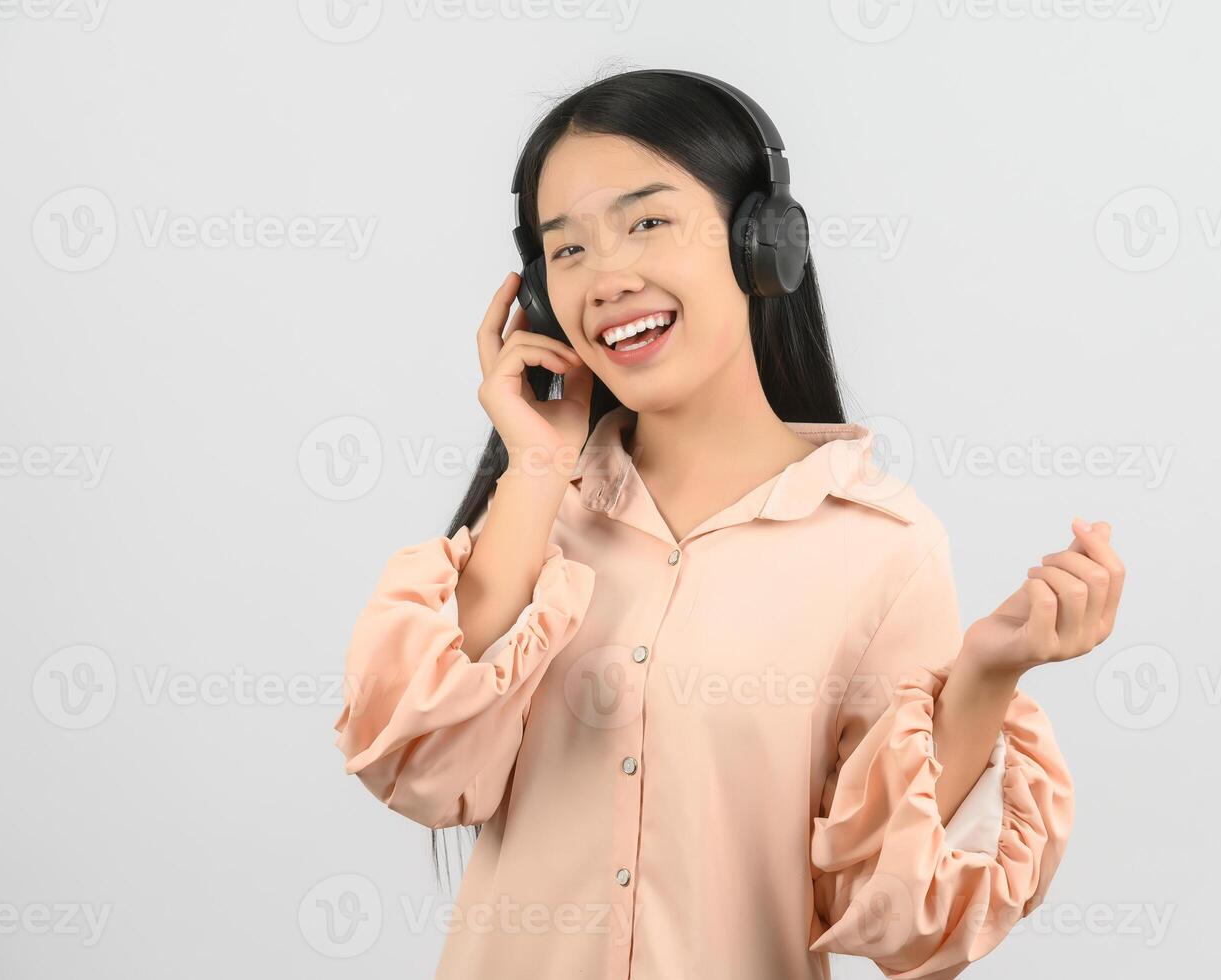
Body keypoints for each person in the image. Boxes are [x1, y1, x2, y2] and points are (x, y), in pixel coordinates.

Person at [332, 67, 1126, 980]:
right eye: (569, 251)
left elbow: (890, 915)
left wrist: (987, 675)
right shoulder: (534, 519)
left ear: (763, 245)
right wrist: (538, 467)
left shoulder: (883, 549)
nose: (608, 276)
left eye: (647, 222)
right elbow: (422, 769)